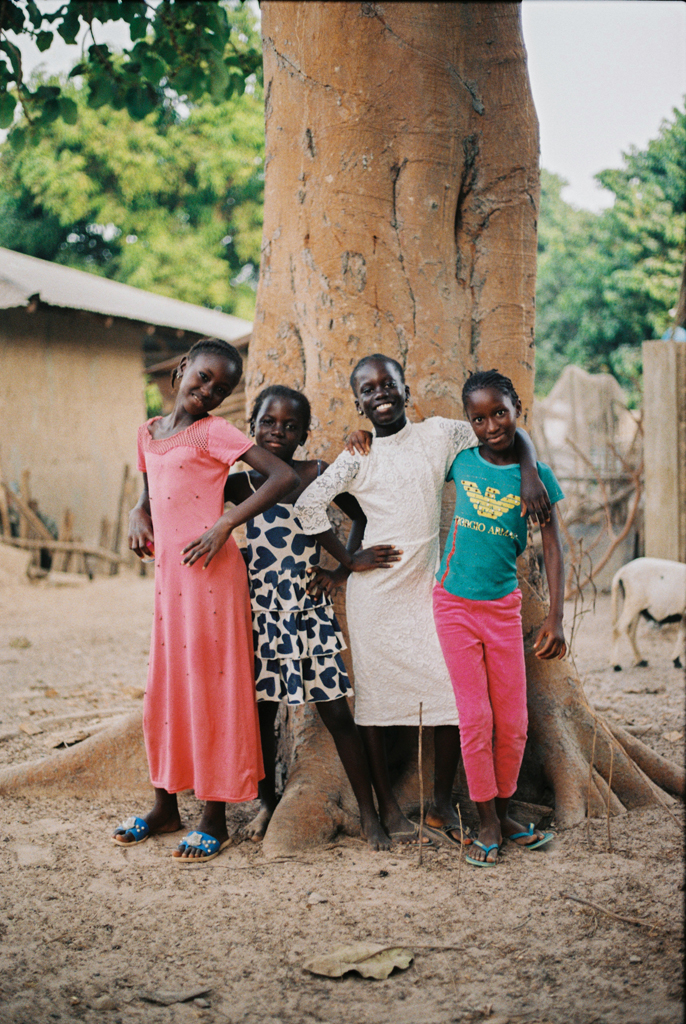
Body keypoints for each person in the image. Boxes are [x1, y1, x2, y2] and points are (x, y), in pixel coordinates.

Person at [294, 354, 550, 847]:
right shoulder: (357, 455)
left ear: (405, 389)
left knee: (452, 698)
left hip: (429, 589)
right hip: (376, 595)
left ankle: (438, 806)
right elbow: (308, 503)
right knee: (372, 702)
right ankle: (385, 810)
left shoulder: (438, 435)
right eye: (368, 390)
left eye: (387, 385)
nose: (380, 395)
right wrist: (348, 560)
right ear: (358, 402)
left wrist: (532, 472)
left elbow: (506, 431)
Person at [113, 338, 298, 865]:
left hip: (213, 577)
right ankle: (164, 806)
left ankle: (213, 816)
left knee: (214, 686)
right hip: (170, 583)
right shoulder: (148, 432)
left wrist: (226, 523)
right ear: (181, 372)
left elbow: (281, 476)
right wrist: (136, 513)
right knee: (166, 686)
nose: (209, 390)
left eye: (223, 386)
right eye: (203, 376)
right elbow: (151, 492)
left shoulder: (217, 432)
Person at [223, 385, 398, 850]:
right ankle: (267, 801)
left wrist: (342, 567)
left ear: (304, 433)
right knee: (260, 716)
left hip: (309, 615)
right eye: (268, 422)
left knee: (337, 713)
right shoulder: (241, 483)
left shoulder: (316, 474)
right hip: (260, 618)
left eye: (290, 425)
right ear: (251, 427)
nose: (277, 431)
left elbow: (361, 516)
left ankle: (368, 814)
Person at [432, 368, 566, 866]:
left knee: (512, 721)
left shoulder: (538, 479)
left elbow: (554, 548)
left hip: (504, 607)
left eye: (500, 414)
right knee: (476, 718)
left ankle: (505, 812)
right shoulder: (462, 462)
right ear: (469, 423)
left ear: (516, 412)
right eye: (479, 418)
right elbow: (410, 454)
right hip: (454, 606)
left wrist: (555, 616)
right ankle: (485, 819)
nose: (491, 426)